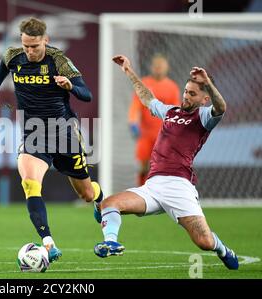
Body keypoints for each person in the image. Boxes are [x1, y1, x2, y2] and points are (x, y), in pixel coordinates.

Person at [94, 54, 239, 270]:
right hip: (152, 187)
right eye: (185, 91)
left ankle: (222, 249)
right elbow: (147, 98)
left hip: (179, 187)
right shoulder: (170, 112)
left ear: (203, 99)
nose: (186, 96)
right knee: (108, 203)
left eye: (192, 93)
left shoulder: (204, 117)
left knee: (204, 242)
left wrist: (207, 82)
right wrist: (129, 71)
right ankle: (111, 243)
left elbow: (222, 107)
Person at [0, 17, 104, 263]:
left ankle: (99, 198)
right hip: (33, 133)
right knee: (30, 184)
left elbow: (87, 95)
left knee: (86, 194)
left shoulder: (59, 61)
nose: (29, 51)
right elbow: (3, 66)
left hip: (63, 131)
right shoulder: (13, 56)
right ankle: (48, 244)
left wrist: (70, 85)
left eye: (35, 46)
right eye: (26, 45)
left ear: (46, 41)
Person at [128, 54, 181, 186]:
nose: (158, 69)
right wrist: (133, 122)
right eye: (156, 66)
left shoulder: (172, 87)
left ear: (166, 68)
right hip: (146, 134)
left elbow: (176, 110)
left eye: (161, 66)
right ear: (152, 67)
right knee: (144, 166)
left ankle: (160, 194)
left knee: (162, 167)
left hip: (163, 134)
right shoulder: (144, 84)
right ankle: (141, 192)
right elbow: (136, 105)